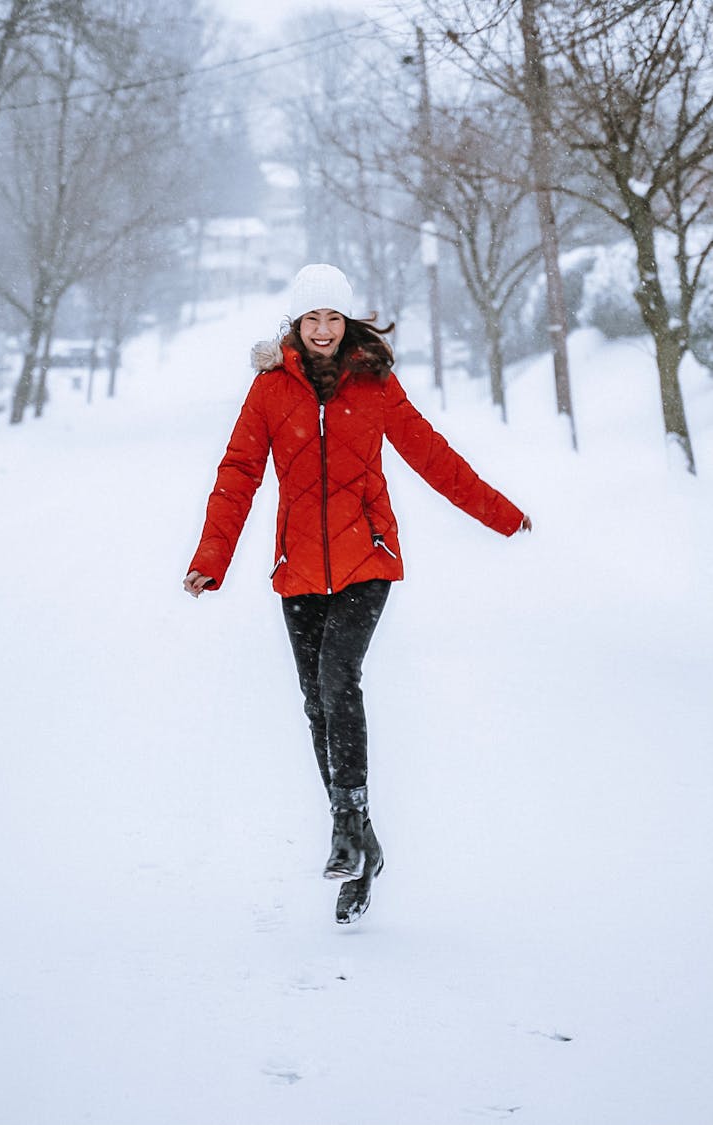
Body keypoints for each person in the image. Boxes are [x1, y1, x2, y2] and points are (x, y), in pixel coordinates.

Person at [184, 263, 531, 925]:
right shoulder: (268, 391)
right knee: (316, 700)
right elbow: (238, 474)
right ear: (296, 323)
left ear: (348, 325)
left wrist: (501, 513)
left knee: (338, 675)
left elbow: (432, 454)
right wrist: (211, 558)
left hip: (367, 558)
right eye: (312, 318)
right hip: (299, 568)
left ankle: (345, 827)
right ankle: (363, 841)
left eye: (333, 318)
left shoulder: (373, 383)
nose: (323, 329)